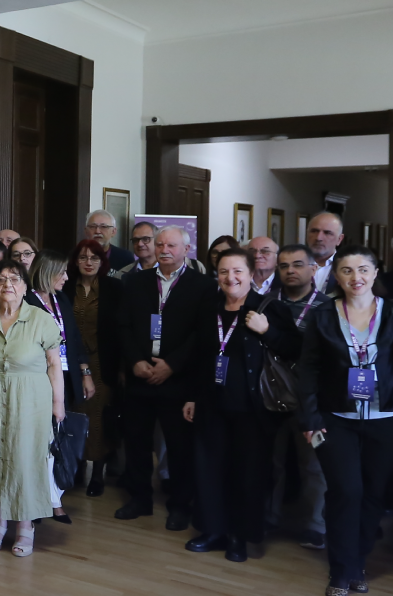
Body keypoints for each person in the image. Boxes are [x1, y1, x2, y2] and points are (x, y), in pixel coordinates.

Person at [298, 247, 393, 596]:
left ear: (375, 273)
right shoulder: (323, 314)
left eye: (363, 270)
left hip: (388, 420)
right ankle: (341, 568)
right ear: (336, 276)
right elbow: (309, 370)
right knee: (346, 491)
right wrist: (309, 418)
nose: (356, 277)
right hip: (335, 419)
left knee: (373, 494)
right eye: (347, 270)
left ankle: (358, 562)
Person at [182, 248, 300, 562]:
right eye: (223, 271)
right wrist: (192, 396)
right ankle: (213, 530)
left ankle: (239, 536)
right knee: (209, 470)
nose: (230, 278)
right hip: (212, 403)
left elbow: (295, 348)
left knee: (247, 475)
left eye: (237, 271)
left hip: (253, 409)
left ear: (251, 274)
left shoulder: (270, 308)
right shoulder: (209, 308)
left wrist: (267, 331)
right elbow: (199, 356)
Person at [113, 225, 214, 527]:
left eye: (171, 245)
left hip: (179, 379)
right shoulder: (135, 281)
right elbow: (123, 326)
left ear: (186, 249)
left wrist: (172, 365)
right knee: (136, 443)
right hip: (140, 376)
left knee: (179, 447)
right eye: (160, 245)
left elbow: (202, 334)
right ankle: (139, 498)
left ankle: (180, 505)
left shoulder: (203, 285)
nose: (164, 250)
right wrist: (135, 361)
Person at [0, 263, 64, 556]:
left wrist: (58, 404)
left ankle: (25, 526)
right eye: (1, 279)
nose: (7, 284)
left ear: (25, 286)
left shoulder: (41, 319)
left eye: (15, 279)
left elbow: (54, 364)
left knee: (24, 462)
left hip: (31, 403)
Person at [270, 242, 330, 548]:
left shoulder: (328, 308)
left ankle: (316, 524)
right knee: (271, 462)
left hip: (312, 401)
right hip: (270, 396)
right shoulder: (266, 304)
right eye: (284, 266)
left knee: (313, 465)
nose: (290, 271)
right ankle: (269, 517)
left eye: (297, 264)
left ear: (313, 268)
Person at [27, 250, 90, 522]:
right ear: (46, 272)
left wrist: (85, 371)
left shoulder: (60, 299)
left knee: (58, 439)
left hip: (65, 377)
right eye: (61, 272)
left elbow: (73, 338)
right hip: (37, 379)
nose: (66, 278)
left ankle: (54, 497)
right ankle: (45, 501)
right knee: (39, 442)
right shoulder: (26, 300)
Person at [68, 239, 122, 495]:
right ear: (75, 261)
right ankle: (75, 466)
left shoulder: (114, 288)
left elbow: (121, 329)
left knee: (98, 416)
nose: (88, 262)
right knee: (74, 412)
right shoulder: (66, 286)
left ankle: (97, 473)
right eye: (83, 257)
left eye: (94, 258)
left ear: (102, 262)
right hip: (70, 361)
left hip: (102, 361)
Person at [303, 212, 344, 291]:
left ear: (339, 239)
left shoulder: (347, 267)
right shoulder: (292, 264)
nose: (319, 238)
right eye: (314, 231)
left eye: (327, 233)